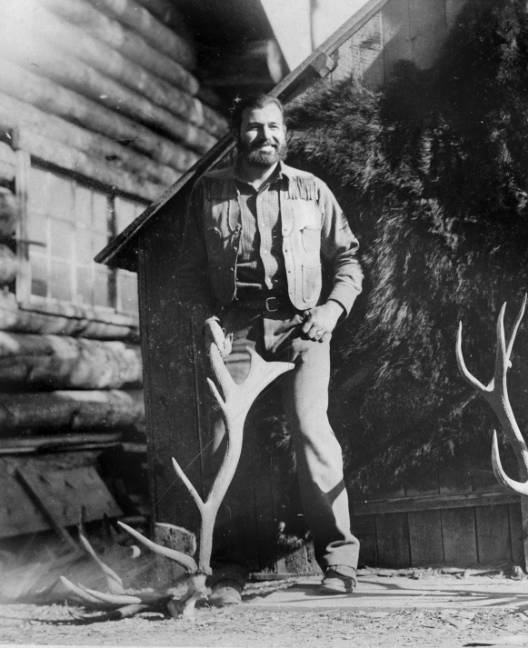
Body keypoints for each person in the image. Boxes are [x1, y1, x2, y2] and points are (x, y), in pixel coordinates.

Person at [176, 90, 363, 598]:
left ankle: (339, 561)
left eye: (274, 127)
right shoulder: (209, 192)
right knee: (225, 439)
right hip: (235, 333)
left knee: (312, 432)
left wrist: (331, 309)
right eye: (254, 127)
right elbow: (189, 272)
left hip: (304, 331)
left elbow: (348, 261)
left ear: (285, 134)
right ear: (238, 134)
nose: (265, 136)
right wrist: (206, 320)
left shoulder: (312, 190)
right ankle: (228, 568)